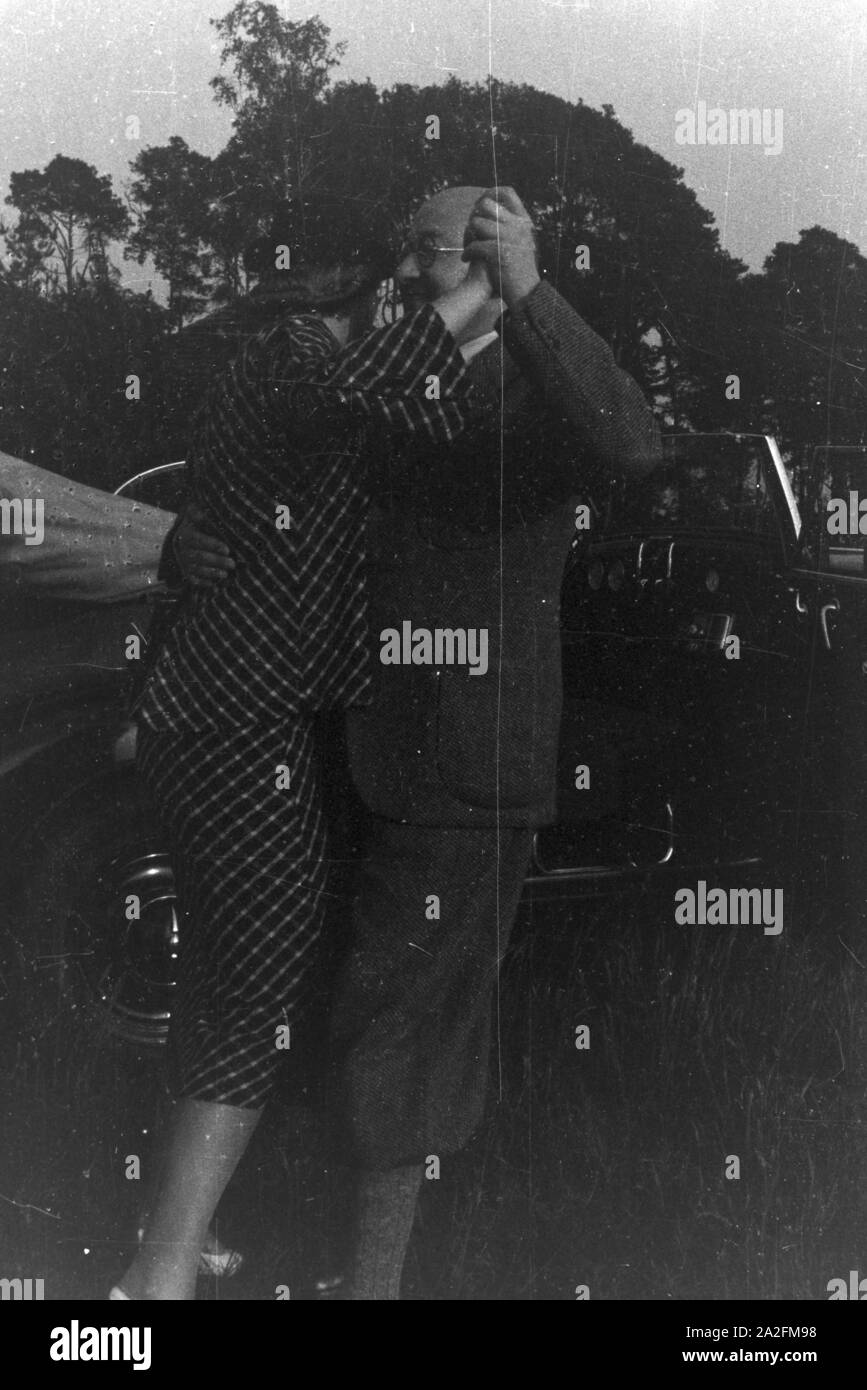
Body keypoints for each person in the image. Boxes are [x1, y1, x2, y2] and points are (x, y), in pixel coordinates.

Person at [172, 184, 661, 1299]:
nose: (400, 273)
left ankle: (373, 1283)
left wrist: (533, 292)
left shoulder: (540, 382)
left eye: (429, 252)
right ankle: (292, 1254)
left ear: (490, 260)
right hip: (336, 741)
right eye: (403, 249)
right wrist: (188, 534)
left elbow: (636, 447)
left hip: (459, 766)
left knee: (401, 1031)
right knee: (316, 1007)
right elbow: (287, 477)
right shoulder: (391, 365)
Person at [111, 198, 496, 1301]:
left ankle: (175, 1229)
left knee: (217, 981)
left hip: (224, 713)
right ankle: (159, 1272)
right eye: (400, 272)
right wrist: (488, 284)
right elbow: (371, 386)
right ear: (361, 281)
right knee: (252, 992)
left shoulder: (290, 362)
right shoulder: (295, 354)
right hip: (239, 720)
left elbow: (410, 402)